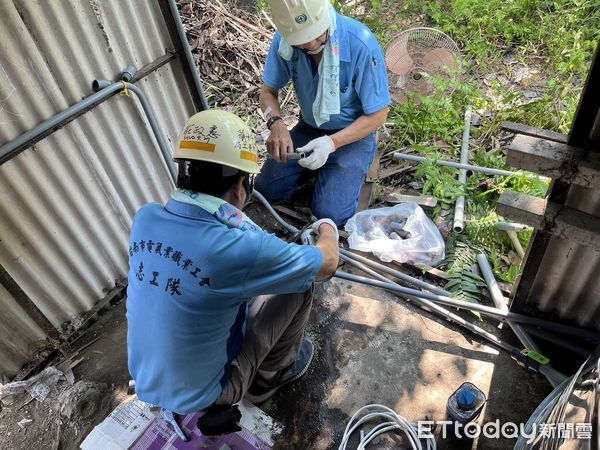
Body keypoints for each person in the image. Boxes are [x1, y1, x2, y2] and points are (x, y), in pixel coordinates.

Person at [126, 110, 339, 433]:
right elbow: (326, 264)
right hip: (207, 395)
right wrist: (327, 228)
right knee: (302, 283)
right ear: (240, 188)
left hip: (146, 378)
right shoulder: (237, 248)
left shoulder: (146, 218)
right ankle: (270, 379)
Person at [254, 0, 391, 226]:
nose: (313, 44)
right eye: (302, 42)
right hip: (309, 128)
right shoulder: (284, 42)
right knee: (265, 189)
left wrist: (331, 143)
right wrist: (276, 123)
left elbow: (378, 114)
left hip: (353, 134)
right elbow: (268, 91)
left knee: (330, 214)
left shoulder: (361, 43)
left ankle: (339, 171)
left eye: (319, 35)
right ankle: (316, 172)